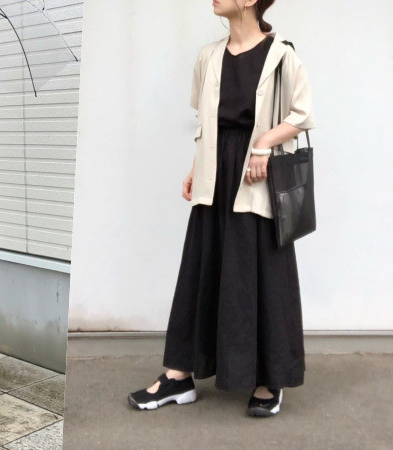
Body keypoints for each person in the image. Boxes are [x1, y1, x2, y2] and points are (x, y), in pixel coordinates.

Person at [128, 0, 315, 417]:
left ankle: (270, 377)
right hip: (216, 175)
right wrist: (195, 168)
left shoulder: (282, 56)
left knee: (263, 272)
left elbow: (302, 115)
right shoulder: (209, 56)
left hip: (257, 175)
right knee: (203, 266)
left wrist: (263, 145)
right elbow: (206, 123)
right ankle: (179, 375)